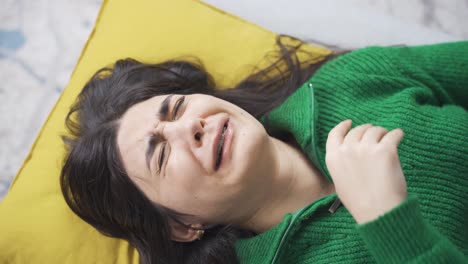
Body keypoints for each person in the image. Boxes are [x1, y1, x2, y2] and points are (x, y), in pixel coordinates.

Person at [60, 35, 468, 264]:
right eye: (162, 153)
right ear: (180, 227)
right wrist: (387, 220)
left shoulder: (349, 82)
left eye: (177, 107)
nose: (192, 125)